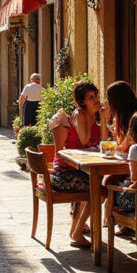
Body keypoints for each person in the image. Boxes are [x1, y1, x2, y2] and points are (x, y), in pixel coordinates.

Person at [50, 81, 103, 248]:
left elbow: (103, 140)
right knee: (99, 191)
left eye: (96, 95)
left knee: (96, 184)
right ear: (82, 102)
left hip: (78, 170)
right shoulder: (80, 114)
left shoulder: (92, 115)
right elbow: (85, 141)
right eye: (91, 97)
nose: (96, 99)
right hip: (63, 174)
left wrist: (104, 117)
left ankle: (76, 229)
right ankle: (77, 232)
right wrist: (91, 115)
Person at [101, 81, 137, 233]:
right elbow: (116, 142)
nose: (106, 102)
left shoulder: (134, 117)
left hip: (134, 166)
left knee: (106, 182)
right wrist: (106, 119)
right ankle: (114, 220)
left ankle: (116, 220)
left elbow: (123, 145)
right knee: (104, 180)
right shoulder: (120, 115)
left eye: (108, 98)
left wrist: (115, 145)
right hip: (128, 163)